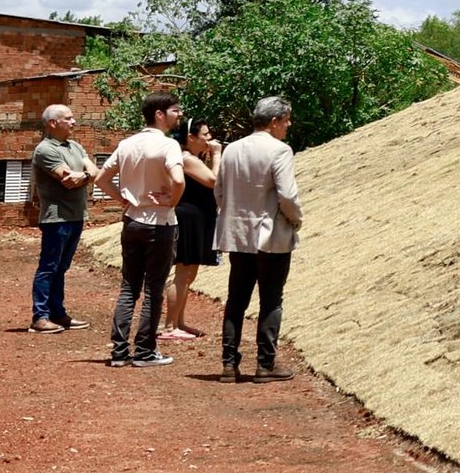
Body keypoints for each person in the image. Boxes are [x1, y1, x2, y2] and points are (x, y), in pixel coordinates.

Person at [95, 96, 192, 367]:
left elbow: (101, 178)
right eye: (175, 110)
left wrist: (123, 199)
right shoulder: (168, 144)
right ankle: (145, 351)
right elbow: (179, 180)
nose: (179, 114)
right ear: (160, 114)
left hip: (132, 221)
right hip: (159, 223)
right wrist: (171, 201)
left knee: (129, 288)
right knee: (154, 289)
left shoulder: (127, 144)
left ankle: (119, 351)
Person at [214, 97, 306, 383]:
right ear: (275, 121)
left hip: (237, 234)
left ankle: (229, 364)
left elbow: (219, 190)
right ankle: (265, 364)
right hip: (271, 234)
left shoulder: (231, 149)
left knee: (236, 299)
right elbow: (287, 195)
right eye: (286, 119)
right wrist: (295, 218)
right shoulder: (280, 150)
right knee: (271, 300)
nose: (289, 125)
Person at [25, 104, 95, 333]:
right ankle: (40, 316)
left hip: (75, 216)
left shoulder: (75, 146)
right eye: (68, 118)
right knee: (49, 267)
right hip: (56, 218)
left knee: (61, 267)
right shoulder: (45, 149)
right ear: (53, 123)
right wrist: (86, 175)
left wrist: (83, 175)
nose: (74, 122)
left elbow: (95, 172)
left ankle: (58, 313)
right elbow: (66, 178)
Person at [165, 114, 223, 342]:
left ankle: (179, 321)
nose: (210, 139)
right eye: (205, 135)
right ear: (191, 137)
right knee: (182, 272)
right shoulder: (186, 158)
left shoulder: (194, 158)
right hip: (187, 219)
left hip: (199, 218)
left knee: (189, 274)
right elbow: (213, 181)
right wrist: (217, 156)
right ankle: (170, 325)